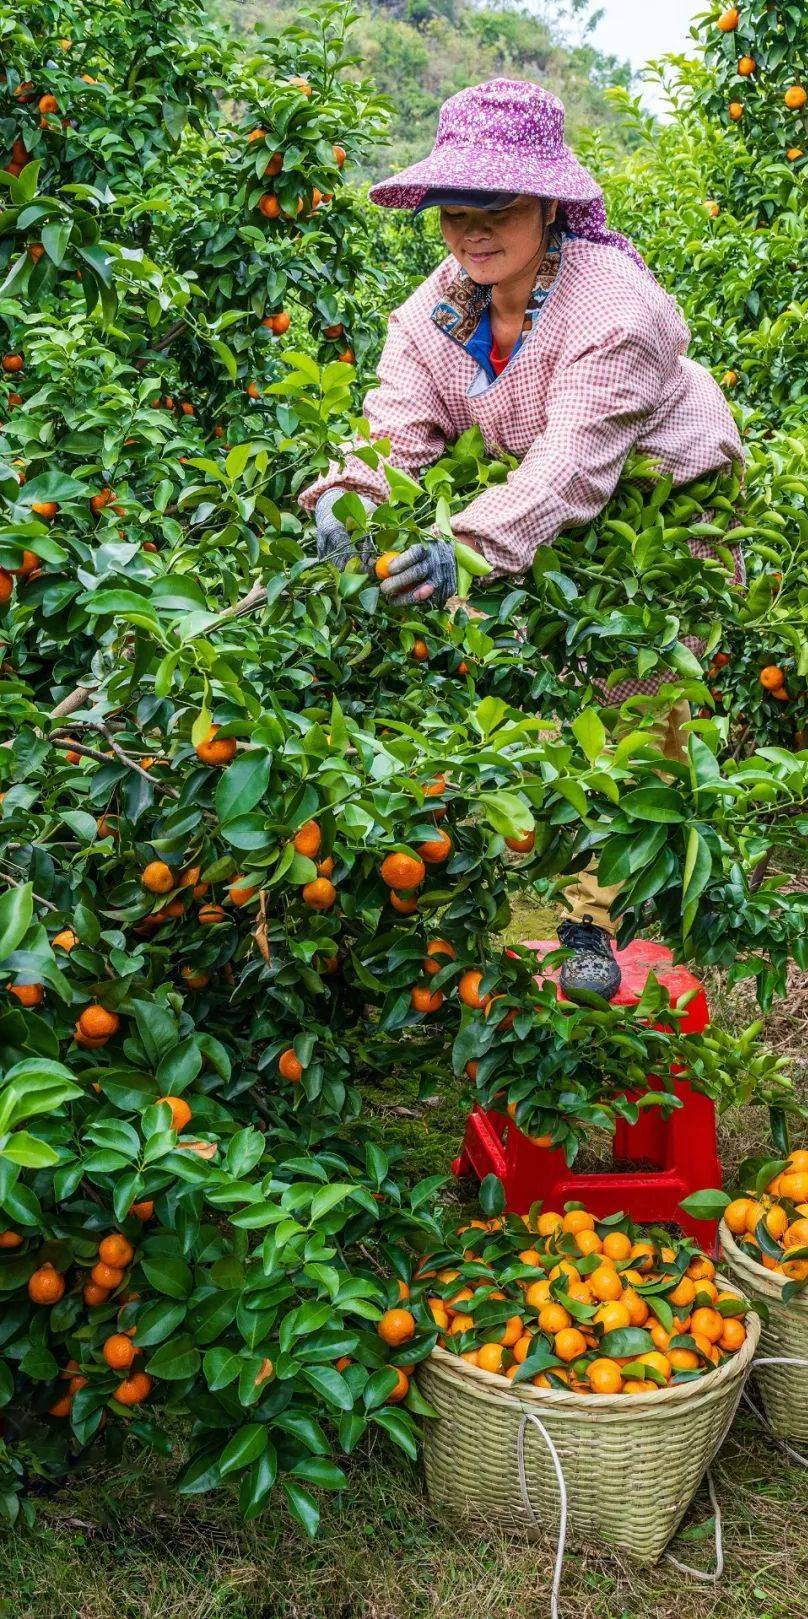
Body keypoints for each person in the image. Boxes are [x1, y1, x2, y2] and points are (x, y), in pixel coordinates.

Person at [299, 77, 743, 1000]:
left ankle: (594, 920)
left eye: (494, 207)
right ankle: (528, 890)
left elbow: (570, 468)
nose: (471, 232)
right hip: (537, 512)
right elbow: (393, 423)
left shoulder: (614, 308)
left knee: (638, 697)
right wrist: (347, 494)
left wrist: (461, 545)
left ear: (547, 201)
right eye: (453, 212)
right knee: (543, 692)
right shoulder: (443, 307)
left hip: (664, 512)